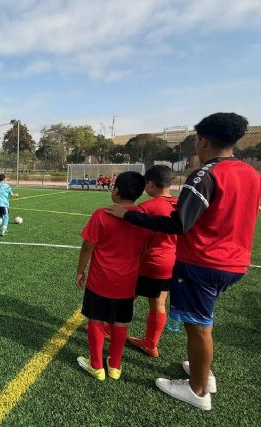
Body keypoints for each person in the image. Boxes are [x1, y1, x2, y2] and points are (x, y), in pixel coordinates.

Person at [106, 112, 260, 410]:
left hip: (204, 262)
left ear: (203, 141)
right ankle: (204, 373)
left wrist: (130, 214)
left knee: (199, 327)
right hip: (235, 262)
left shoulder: (206, 174)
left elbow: (179, 224)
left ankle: (198, 390)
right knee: (203, 322)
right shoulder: (251, 174)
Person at [76, 171, 150, 381]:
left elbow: (87, 246)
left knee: (96, 320)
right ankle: (115, 366)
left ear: (116, 191)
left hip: (101, 280)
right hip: (127, 282)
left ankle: (96, 366)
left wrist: (80, 271)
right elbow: (144, 250)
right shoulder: (142, 218)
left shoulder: (102, 214)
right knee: (120, 323)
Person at [128, 165, 178, 358]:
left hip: (151, 261)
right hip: (172, 261)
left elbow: (136, 238)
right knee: (159, 302)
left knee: (127, 297)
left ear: (150, 184)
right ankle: (150, 344)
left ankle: (108, 330)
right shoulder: (180, 204)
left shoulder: (147, 208)